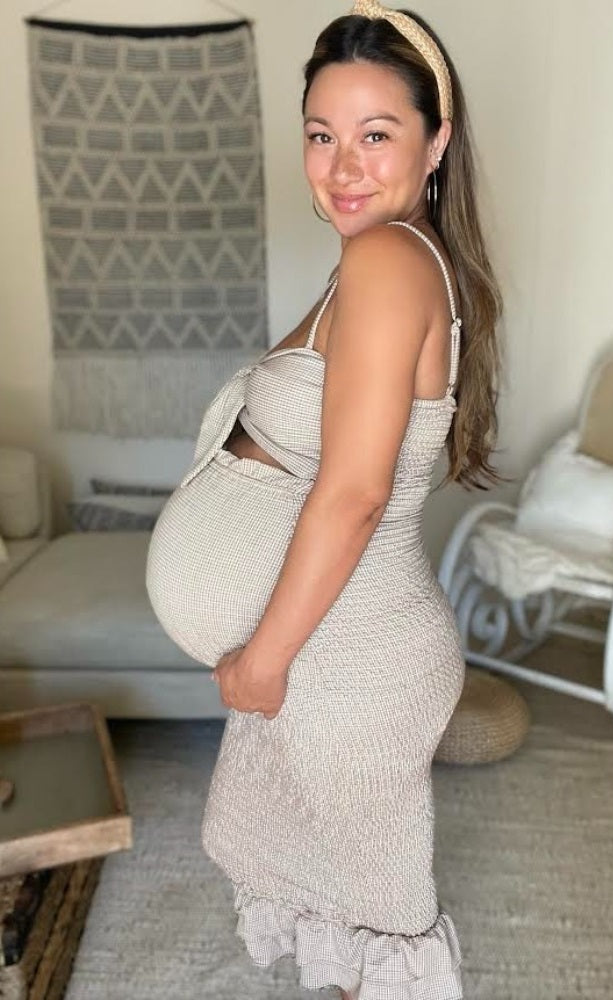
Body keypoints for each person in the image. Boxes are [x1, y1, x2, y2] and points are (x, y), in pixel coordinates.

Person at [146, 1, 502, 997]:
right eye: (320, 134)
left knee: (379, 933)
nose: (341, 166)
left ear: (435, 142)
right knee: (343, 919)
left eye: (374, 135)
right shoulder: (390, 258)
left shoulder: (387, 261)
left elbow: (351, 496)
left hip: (344, 667)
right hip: (331, 657)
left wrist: (262, 660)